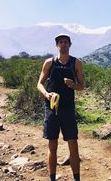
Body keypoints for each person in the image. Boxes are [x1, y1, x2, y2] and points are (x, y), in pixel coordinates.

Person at [37, 33, 84, 181]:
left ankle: (77, 179)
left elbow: (81, 86)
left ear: (70, 45)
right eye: (60, 42)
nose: (63, 44)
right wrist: (46, 94)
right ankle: (52, 178)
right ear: (57, 45)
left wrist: (73, 85)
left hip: (68, 109)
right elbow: (39, 83)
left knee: (73, 144)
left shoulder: (76, 63)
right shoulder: (49, 63)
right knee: (52, 145)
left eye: (66, 42)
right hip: (51, 109)